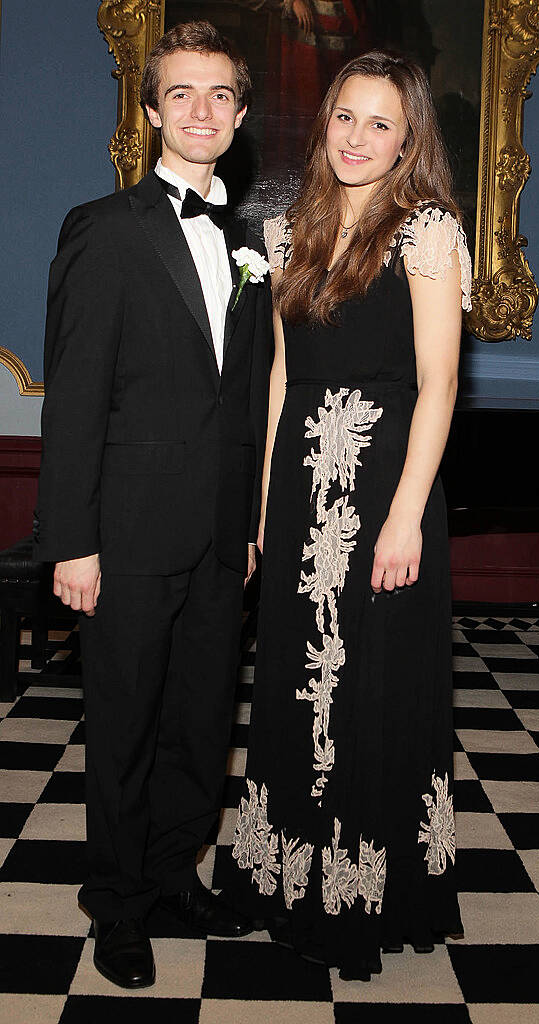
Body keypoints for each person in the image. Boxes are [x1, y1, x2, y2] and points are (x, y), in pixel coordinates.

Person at [34, 20, 272, 989]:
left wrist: (250, 523)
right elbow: (75, 399)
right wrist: (73, 542)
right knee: (123, 728)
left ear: (241, 112)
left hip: (221, 538)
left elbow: (248, 398)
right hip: (124, 539)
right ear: (150, 111)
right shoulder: (103, 229)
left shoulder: (252, 240)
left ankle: (175, 874)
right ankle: (118, 904)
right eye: (181, 94)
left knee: (200, 724)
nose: (202, 111)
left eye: (219, 95)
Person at [228, 50, 471, 981]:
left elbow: (442, 387)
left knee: (371, 686)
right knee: (295, 680)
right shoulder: (289, 232)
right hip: (299, 493)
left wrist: (406, 515)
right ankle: (281, 877)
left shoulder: (430, 232)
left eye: (382, 123)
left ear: (409, 137)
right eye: (345, 118)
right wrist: (260, 511)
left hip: (384, 493)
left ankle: (367, 889)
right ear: (322, 124)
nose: (359, 138)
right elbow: (284, 381)